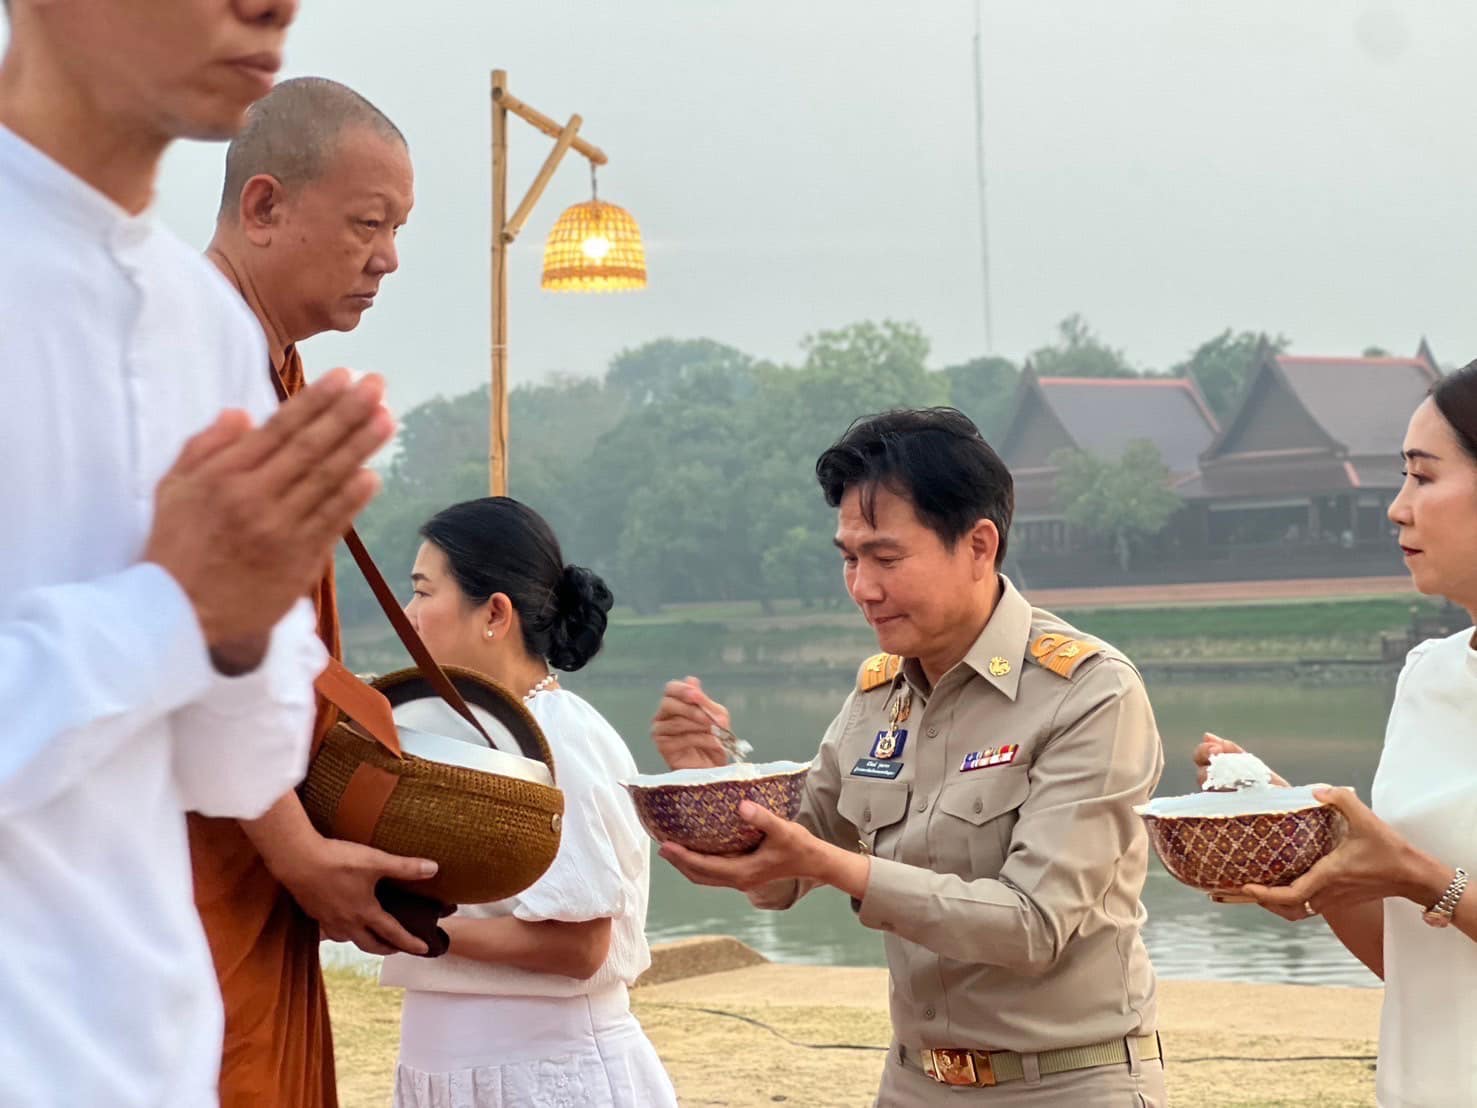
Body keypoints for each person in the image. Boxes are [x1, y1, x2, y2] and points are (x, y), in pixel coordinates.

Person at [0, 0, 399, 1105]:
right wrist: (172, 613)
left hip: (152, 1040)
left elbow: (237, 761)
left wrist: (229, 627)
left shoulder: (204, 321)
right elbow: (176, 623)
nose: (271, 7)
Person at [651, 408, 1166, 1106]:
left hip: (1065, 1083)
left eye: (886, 558)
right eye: (848, 558)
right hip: (912, 1083)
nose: (863, 586)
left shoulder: (1088, 694)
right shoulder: (879, 694)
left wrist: (834, 866)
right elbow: (777, 878)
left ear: (978, 545)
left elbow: (1034, 925)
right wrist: (711, 781)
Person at [190, 76, 428, 1108]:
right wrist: (295, 852)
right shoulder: (198, 358)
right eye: (366, 224)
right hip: (198, 855)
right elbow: (198, 637)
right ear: (264, 206)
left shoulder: (266, 363)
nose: (386, 258)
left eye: (396, 229)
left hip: (248, 845)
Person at [1195, 363, 1477, 1107]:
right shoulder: (1427, 677)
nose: (1395, 509)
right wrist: (1305, 847)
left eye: (1422, 477)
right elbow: (1411, 958)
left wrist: (1423, 878)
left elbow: (1425, 886)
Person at [380, 497, 679, 1108]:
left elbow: (579, 946)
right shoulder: (477, 735)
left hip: (540, 1072)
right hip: (450, 1067)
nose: (408, 615)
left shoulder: (556, 737)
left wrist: (416, 925)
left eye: (424, 592)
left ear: (494, 613)